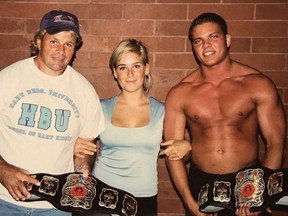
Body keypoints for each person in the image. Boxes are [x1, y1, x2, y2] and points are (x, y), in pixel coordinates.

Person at [163, 12, 286, 216]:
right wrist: (188, 201)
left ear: (227, 40)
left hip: (248, 180)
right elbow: (173, 154)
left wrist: (259, 193)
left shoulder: (257, 84)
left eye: (214, 37)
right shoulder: (180, 93)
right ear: (193, 47)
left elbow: (276, 142)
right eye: (198, 41)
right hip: (200, 184)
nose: (206, 46)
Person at [0, 10, 104, 216]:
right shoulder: (8, 79)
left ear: (75, 49)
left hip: (55, 207)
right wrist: (2, 169)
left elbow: (83, 149)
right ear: (39, 41)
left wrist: (82, 170)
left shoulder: (85, 92)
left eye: (69, 44)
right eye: (54, 41)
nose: (61, 50)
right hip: (4, 200)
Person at [73, 38, 164, 216]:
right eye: (122, 67)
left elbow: (179, 155)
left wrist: (186, 147)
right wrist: (75, 149)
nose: (130, 74)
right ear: (115, 72)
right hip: (100, 195)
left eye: (136, 66)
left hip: (143, 198)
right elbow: (83, 149)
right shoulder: (101, 107)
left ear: (146, 68)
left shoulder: (162, 111)